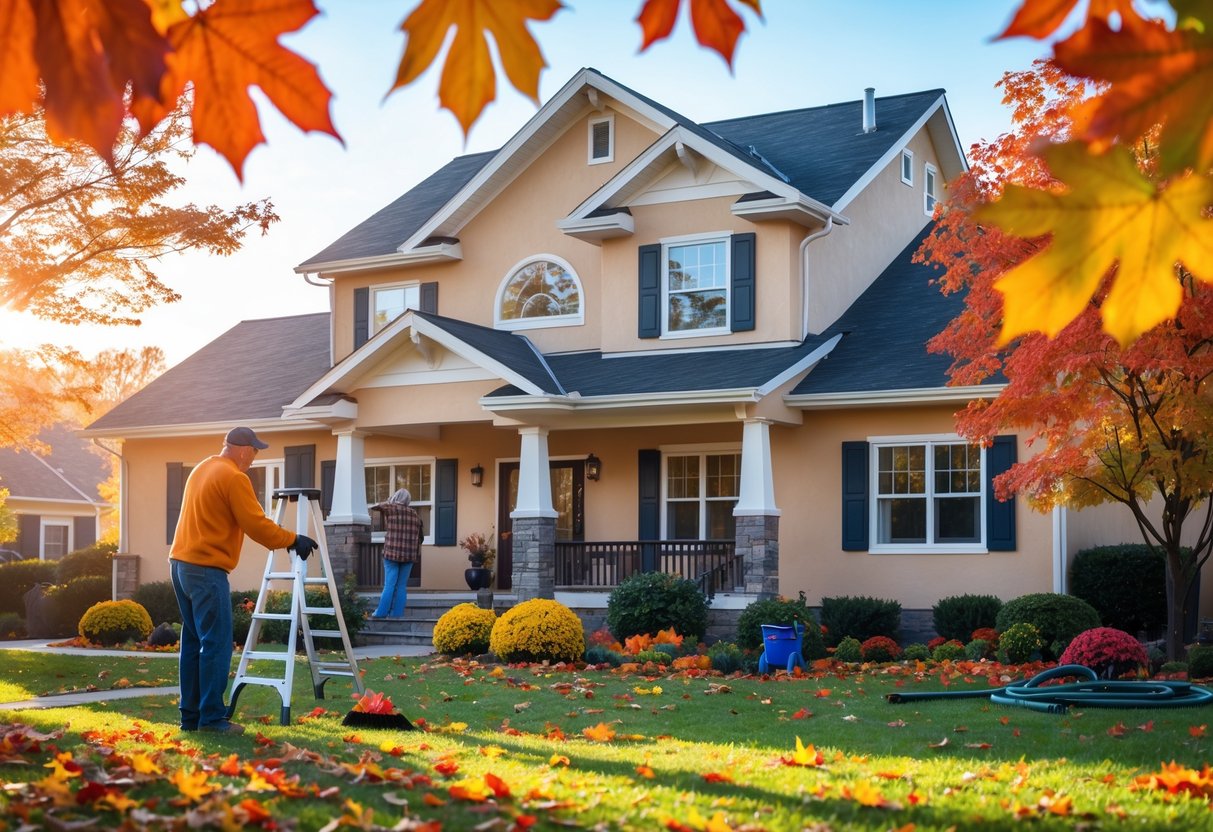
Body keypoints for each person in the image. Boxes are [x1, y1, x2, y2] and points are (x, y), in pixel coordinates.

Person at [169, 426, 317, 734]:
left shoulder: (202, 468)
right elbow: (256, 524)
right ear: (240, 449)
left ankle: (190, 717)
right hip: (206, 569)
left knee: (194, 641)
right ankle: (211, 719)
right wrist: (293, 539)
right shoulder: (235, 477)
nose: (255, 456)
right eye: (254, 450)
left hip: (180, 563)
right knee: (217, 643)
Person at [370, 488, 423, 618]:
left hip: (391, 554)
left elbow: (375, 507)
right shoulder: (415, 515)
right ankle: (396, 614)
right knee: (401, 586)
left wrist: (389, 500)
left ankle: (381, 613)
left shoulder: (390, 508)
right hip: (409, 555)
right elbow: (421, 538)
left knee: (389, 585)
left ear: (396, 497)